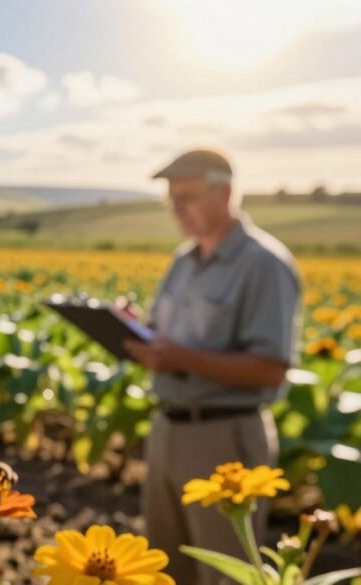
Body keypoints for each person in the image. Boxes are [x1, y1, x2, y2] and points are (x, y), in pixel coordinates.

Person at [123, 149, 301, 585]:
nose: (177, 210)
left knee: (225, 574)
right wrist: (132, 331)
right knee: (166, 568)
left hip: (224, 440)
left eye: (187, 197)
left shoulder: (264, 264)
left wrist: (181, 358)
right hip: (167, 430)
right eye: (171, 200)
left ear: (224, 193)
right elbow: (165, 335)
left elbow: (271, 368)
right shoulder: (184, 261)